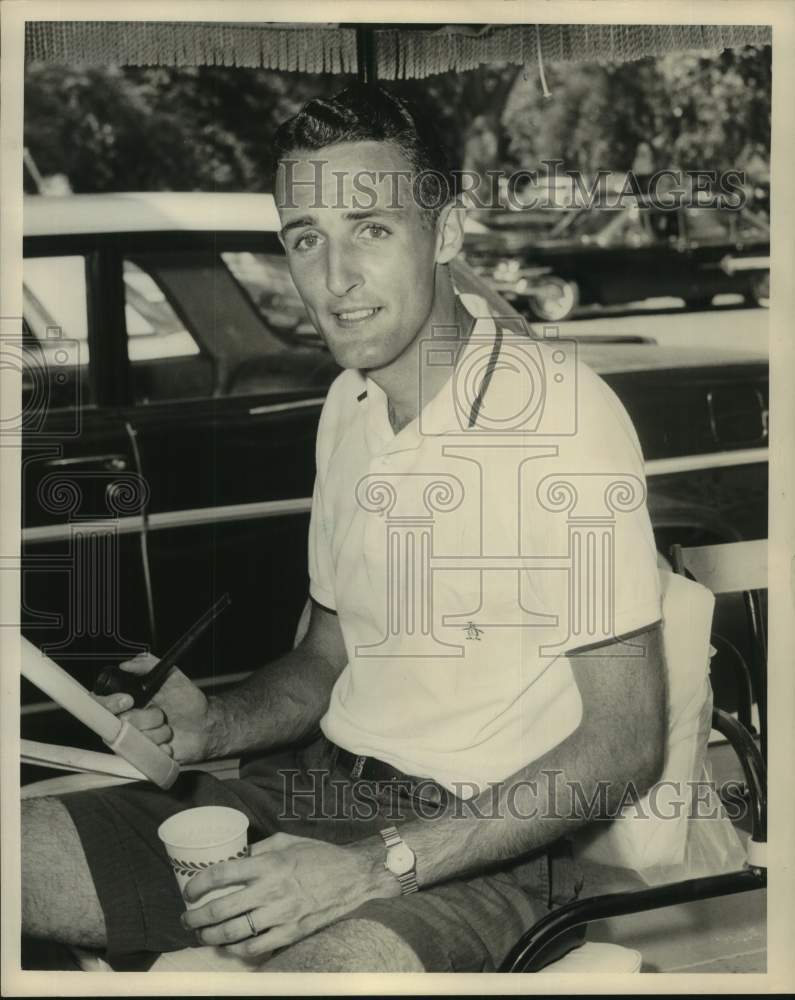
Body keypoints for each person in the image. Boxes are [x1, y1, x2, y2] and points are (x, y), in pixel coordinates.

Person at [22, 84, 666, 974]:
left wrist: (373, 868)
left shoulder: (562, 416)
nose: (334, 279)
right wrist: (214, 724)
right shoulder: (347, 404)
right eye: (304, 238)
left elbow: (623, 744)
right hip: (311, 792)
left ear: (443, 233)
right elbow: (328, 658)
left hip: (483, 849)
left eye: (371, 229)